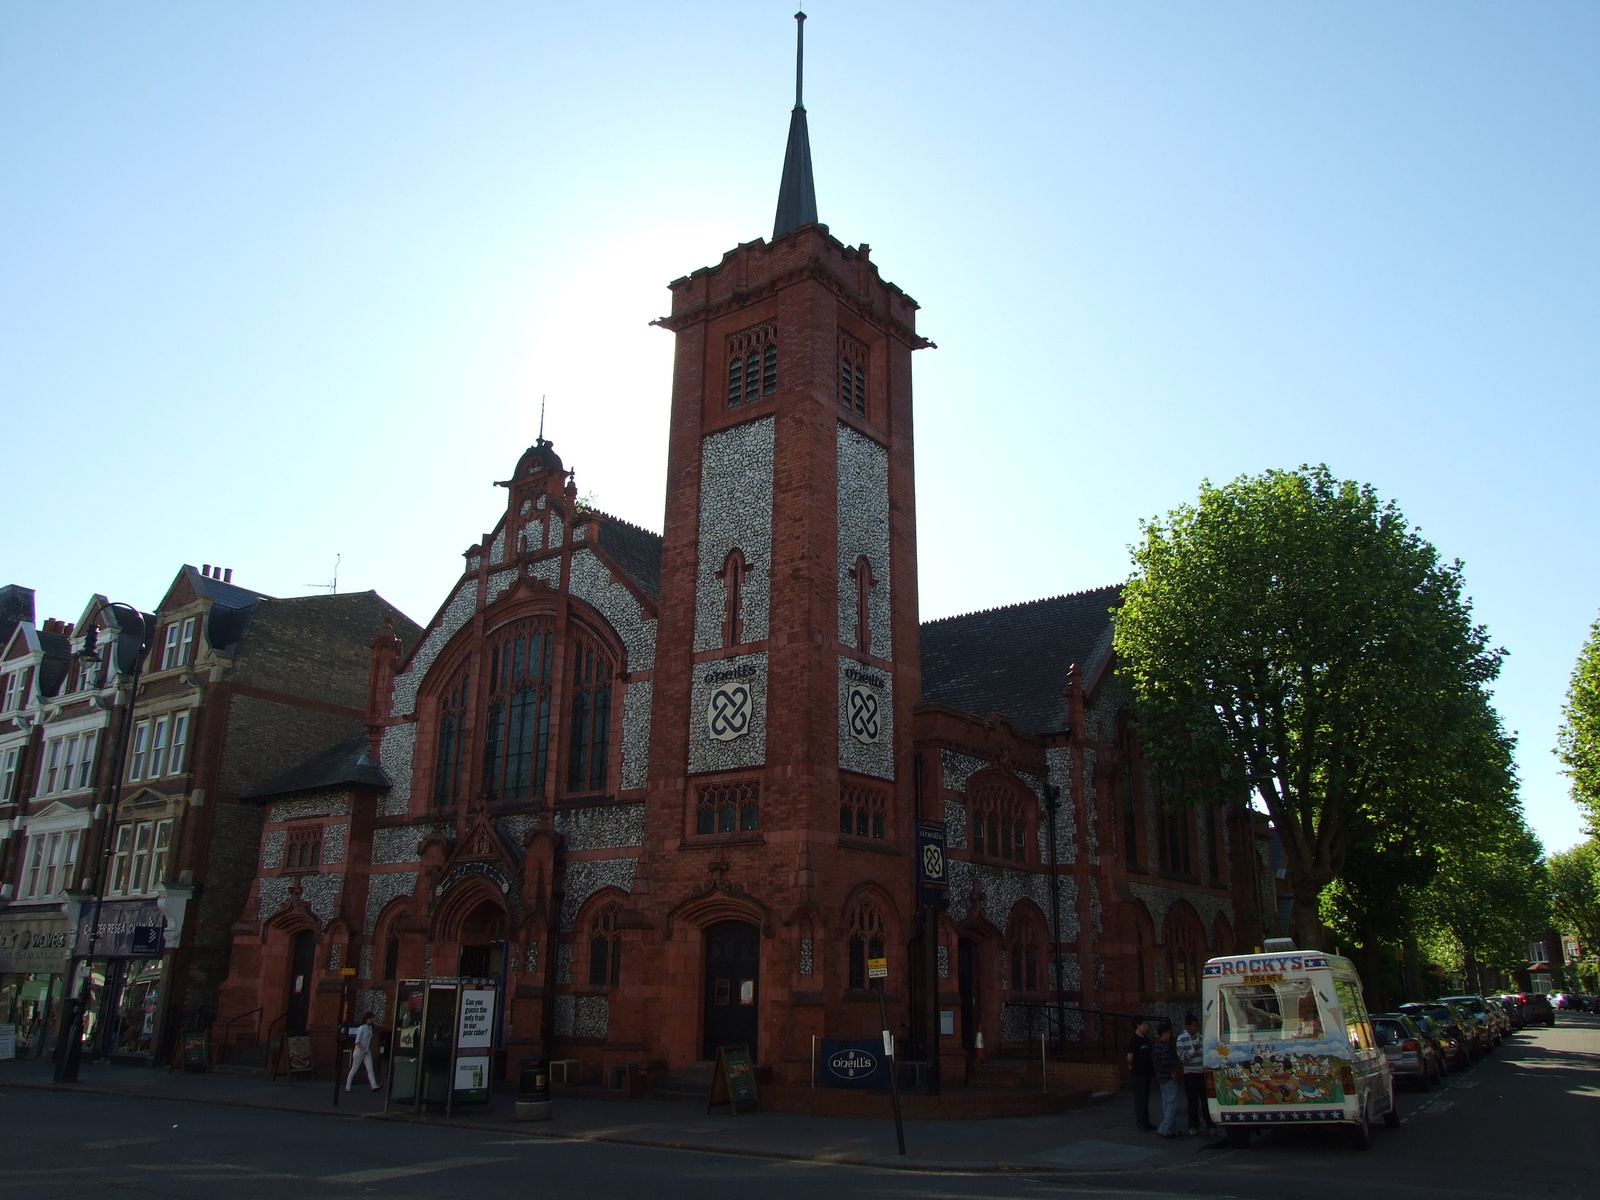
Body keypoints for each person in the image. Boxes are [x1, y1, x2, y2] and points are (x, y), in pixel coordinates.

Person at [1177, 1012, 1213, 1136]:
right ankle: (1193, 1125)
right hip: (1189, 1074)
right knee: (1192, 1102)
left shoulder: (1201, 1038)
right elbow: (1182, 1057)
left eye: (1197, 1026)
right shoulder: (1181, 1039)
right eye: (1193, 1026)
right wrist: (1194, 1049)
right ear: (1188, 1026)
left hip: (1201, 1073)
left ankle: (1210, 1124)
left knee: (1205, 1100)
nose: (1196, 1028)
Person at [1153, 1021, 1182, 1138]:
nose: (1170, 1035)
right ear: (1164, 1033)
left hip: (1161, 1077)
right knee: (1173, 1103)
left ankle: (1171, 1129)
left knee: (1166, 1103)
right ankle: (1165, 1128)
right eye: (1169, 1033)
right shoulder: (1164, 1047)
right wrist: (1172, 1072)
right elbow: (1166, 1062)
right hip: (1168, 1077)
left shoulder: (1157, 1046)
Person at [1126, 1017, 1155, 1131]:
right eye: (1144, 1024)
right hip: (1139, 1073)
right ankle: (1140, 1121)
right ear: (1137, 1025)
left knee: (1146, 1098)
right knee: (1140, 1098)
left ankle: (1146, 1121)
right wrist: (1131, 1064)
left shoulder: (1146, 1039)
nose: (1146, 1026)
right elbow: (1130, 1057)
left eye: (1147, 1023)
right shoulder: (1134, 1039)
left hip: (1147, 1071)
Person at [345, 1012, 380, 1092]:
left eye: (372, 1018)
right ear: (366, 1019)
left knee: (370, 1068)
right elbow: (357, 1041)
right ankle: (348, 1086)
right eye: (369, 1018)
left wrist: (366, 1049)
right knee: (354, 1068)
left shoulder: (370, 1028)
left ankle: (374, 1085)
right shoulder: (361, 1028)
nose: (371, 1020)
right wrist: (362, 1049)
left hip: (367, 1050)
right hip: (359, 1051)